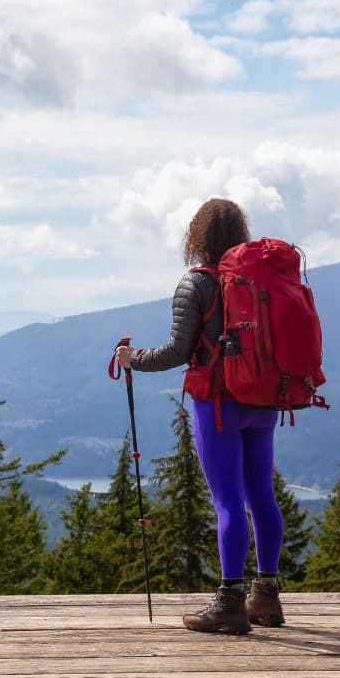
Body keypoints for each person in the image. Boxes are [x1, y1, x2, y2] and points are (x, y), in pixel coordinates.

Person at [114, 197, 284, 635]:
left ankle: (229, 600)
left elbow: (176, 351)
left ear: (199, 236)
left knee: (226, 501)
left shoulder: (197, 285)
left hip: (218, 406)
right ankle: (265, 595)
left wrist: (132, 359)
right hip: (263, 401)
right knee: (261, 495)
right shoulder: (258, 283)